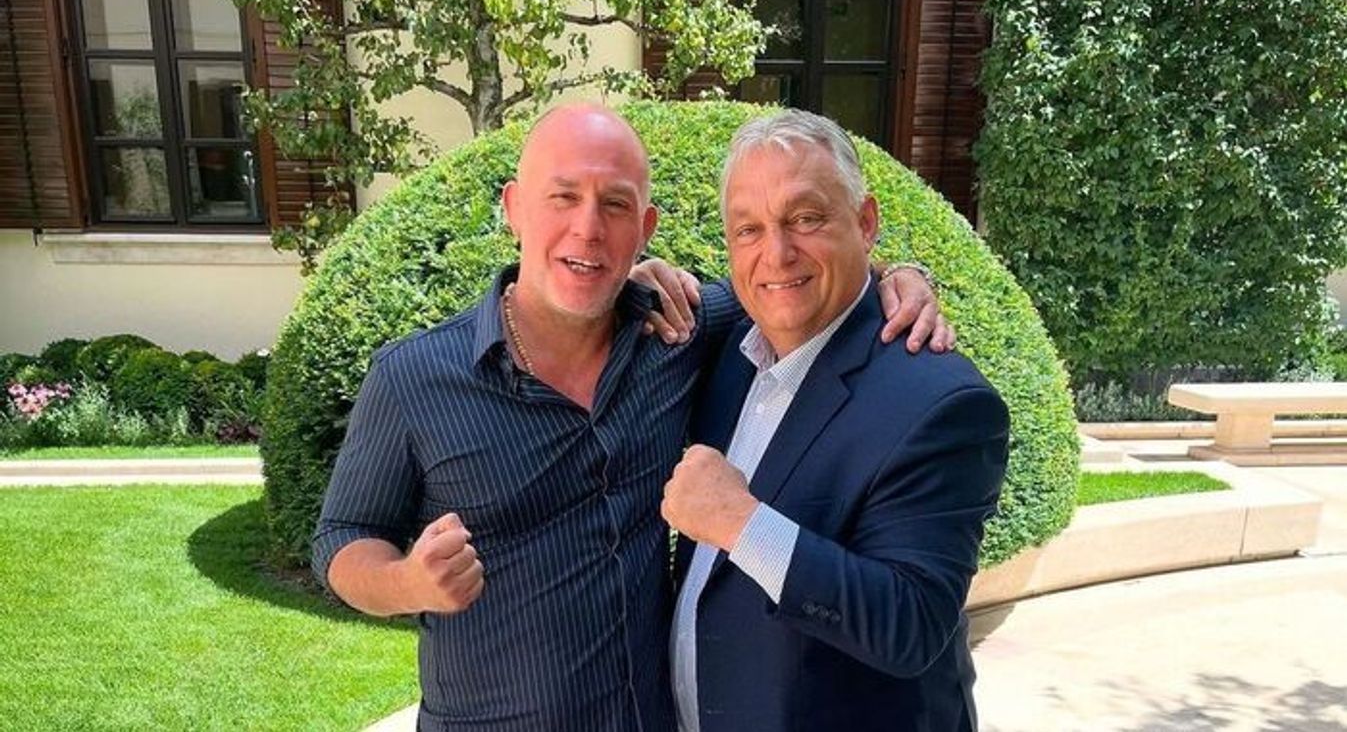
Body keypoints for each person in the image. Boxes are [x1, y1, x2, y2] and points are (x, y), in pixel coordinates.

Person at [311, 103, 948, 732]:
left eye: (614, 205)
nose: (588, 228)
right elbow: (343, 536)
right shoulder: (413, 377)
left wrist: (899, 276)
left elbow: (791, 277)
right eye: (563, 197)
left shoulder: (677, 331)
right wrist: (407, 583)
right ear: (514, 209)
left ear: (644, 227)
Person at [661, 109, 1010, 732]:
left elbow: (911, 623)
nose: (776, 253)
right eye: (749, 229)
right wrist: (639, 282)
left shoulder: (942, 403)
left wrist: (741, 524)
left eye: (806, 218)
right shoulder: (731, 347)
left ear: (866, 222)